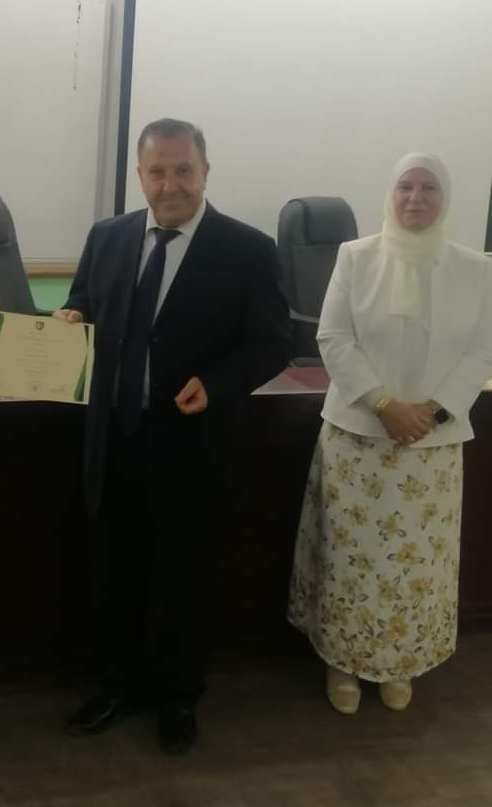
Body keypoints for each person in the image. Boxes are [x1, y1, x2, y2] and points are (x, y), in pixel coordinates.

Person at [55, 118, 292, 753]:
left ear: (205, 172)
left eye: (183, 170)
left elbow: (273, 342)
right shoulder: (107, 237)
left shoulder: (247, 249)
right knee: (116, 576)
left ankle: (179, 698)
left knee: (186, 581)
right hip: (115, 439)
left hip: (195, 449)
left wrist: (218, 383)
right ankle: (117, 686)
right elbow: (84, 304)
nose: (170, 184)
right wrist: (71, 318)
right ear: (140, 175)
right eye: (157, 171)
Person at [288, 152, 492, 714]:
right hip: (358, 439)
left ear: (444, 198)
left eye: (429, 188)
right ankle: (341, 662)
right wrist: (384, 404)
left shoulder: (476, 268)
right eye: (405, 186)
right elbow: (334, 338)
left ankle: (401, 663)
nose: (415, 198)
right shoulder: (356, 256)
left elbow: (482, 351)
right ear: (391, 193)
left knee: (415, 566)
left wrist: (432, 413)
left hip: (432, 445)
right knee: (352, 561)